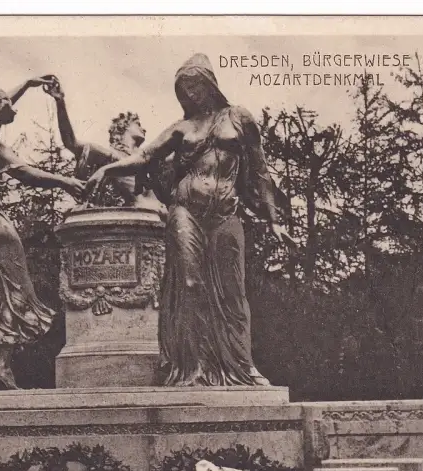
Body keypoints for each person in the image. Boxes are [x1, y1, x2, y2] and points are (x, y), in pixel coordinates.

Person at [86, 53, 292, 387]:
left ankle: (242, 366)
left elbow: (261, 171)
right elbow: (144, 156)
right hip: (185, 212)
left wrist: (274, 220)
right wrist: (107, 169)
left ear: (210, 84)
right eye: (184, 89)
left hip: (225, 213)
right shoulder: (181, 128)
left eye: (195, 85)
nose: (191, 94)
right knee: (190, 284)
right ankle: (193, 368)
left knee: (233, 291)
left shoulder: (238, 117)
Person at [0, 78, 85, 389]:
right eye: (7, 107)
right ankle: (2, 361)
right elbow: (25, 173)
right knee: (19, 290)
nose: (14, 109)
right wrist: (66, 182)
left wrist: (27, 84)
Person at [42, 76, 164, 212]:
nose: (144, 129)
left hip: (161, 213)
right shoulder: (112, 154)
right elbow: (70, 142)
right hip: (142, 214)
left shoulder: (145, 157)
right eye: (138, 124)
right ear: (123, 126)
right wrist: (60, 101)